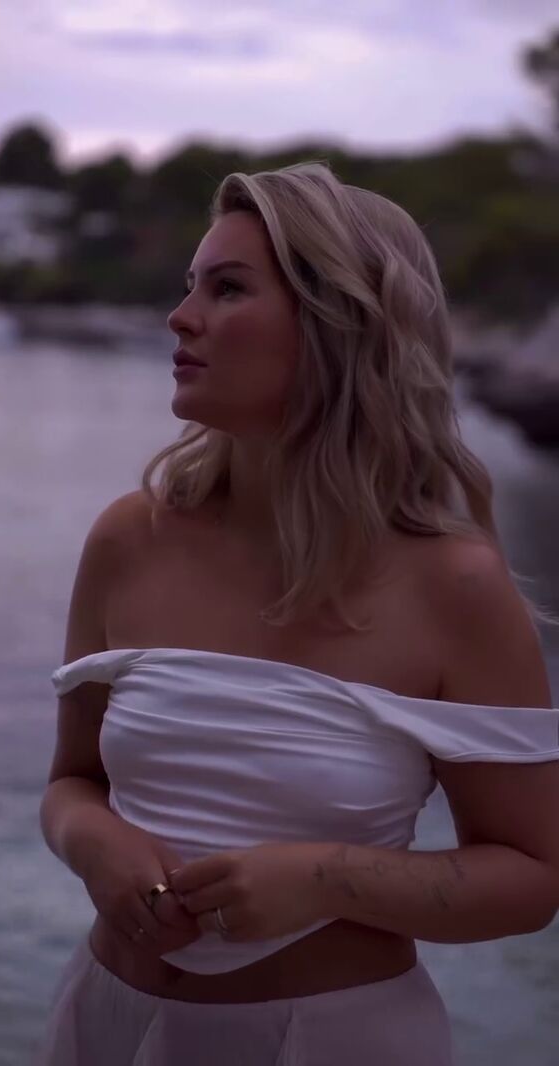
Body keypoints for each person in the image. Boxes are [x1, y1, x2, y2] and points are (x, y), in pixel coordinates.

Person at [36, 161, 559, 1066]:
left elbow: (533, 877)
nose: (180, 317)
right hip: (102, 1024)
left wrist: (327, 879)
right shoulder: (130, 538)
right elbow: (70, 784)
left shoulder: (455, 585)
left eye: (228, 288)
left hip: (327, 1041)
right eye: (189, 285)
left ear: (338, 326)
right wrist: (94, 843)